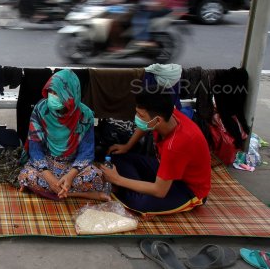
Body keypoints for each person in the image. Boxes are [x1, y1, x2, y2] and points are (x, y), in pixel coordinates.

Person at [102, 87, 211, 215]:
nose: (137, 118)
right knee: (118, 156)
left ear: (158, 120)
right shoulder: (168, 114)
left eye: (141, 115)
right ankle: (130, 188)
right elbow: (146, 124)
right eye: (137, 112)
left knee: (139, 204)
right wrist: (127, 145)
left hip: (187, 189)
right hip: (167, 170)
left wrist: (117, 180)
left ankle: (124, 188)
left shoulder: (175, 145)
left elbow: (160, 191)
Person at [18, 69, 109, 201]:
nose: (52, 96)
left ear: (70, 94)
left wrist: (70, 176)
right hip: (47, 162)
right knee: (26, 175)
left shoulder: (85, 115)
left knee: (96, 176)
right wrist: (49, 178)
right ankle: (82, 194)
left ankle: (59, 192)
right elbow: (35, 148)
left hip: (73, 165)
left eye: (57, 93)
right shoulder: (41, 110)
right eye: (50, 91)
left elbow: (86, 152)